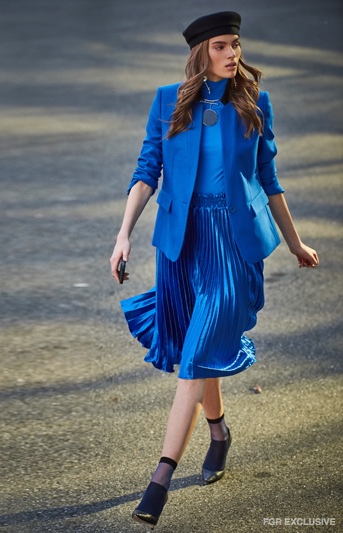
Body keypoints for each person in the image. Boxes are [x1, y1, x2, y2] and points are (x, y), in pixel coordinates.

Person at [108, 11, 319, 528]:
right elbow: (146, 172)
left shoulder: (255, 103)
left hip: (232, 243)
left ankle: (159, 481)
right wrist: (122, 235)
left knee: (196, 357)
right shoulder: (167, 101)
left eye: (236, 45)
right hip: (181, 244)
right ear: (201, 52)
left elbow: (269, 180)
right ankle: (219, 431)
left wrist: (295, 243)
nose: (233, 54)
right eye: (222, 46)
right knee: (198, 353)